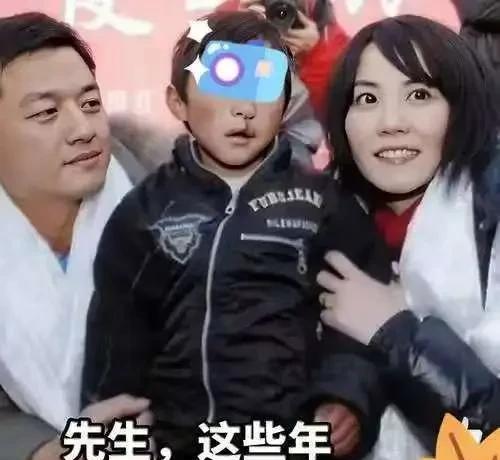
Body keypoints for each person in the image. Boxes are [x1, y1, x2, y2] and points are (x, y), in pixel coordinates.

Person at [81, 10, 392, 459]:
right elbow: (115, 338)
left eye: (262, 88)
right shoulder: (143, 212)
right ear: (177, 102)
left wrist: (346, 398)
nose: (244, 108)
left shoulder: (324, 204)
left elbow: (367, 325)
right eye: (223, 85)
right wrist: (109, 430)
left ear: (286, 104)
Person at [315, 14, 500, 459]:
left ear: (462, 106)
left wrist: (396, 333)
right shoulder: (310, 224)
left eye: (419, 95)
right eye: (367, 98)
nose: (391, 122)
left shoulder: (489, 212)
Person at [0, 12, 159, 460]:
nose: (84, 129)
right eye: (46, 113)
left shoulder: (177, 201)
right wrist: (40, 452)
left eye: (90, 104)